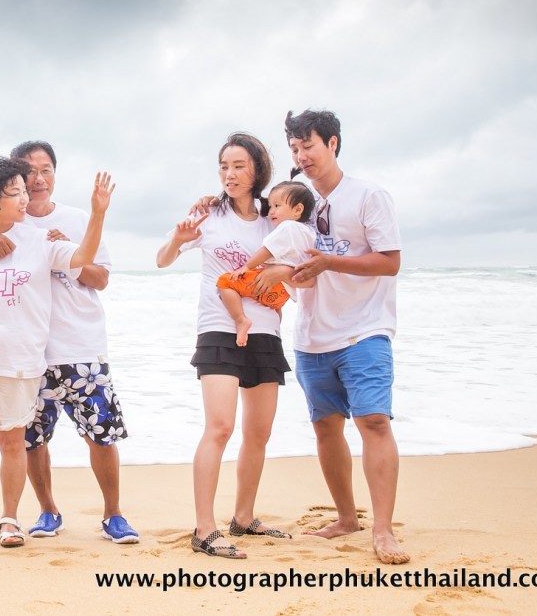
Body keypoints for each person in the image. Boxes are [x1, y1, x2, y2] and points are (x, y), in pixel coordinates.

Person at [0, 141, 138, 544]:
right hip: (24, 356)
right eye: (27, 174)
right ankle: (46, 511)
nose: (36, 180)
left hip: (79, 346)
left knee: (100, 433)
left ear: (55, 175)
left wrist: (71, 246)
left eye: (45, 171)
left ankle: (113, 514)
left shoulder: (69, 222)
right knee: (31, 440)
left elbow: (99, 275)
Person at [155, 133, 293, 559]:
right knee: (220, 427)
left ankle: (244, 518)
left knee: (259, 432)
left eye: (238, 166)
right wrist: (179, 238)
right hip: (218, 329)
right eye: (224, 167)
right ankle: (205, 528)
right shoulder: (209, 213)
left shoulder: (275, 218)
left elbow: (298, 263)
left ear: (257, 171)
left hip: (265, 331)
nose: (229, 175)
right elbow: (162, 259)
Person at [283, 109, 409, 565]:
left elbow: (390, 261)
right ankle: (345, 518)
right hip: (312, 334)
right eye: (294, 149)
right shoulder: (295, 201)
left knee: (373, 421)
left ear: (332, 143)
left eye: (308, 146)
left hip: (365, 329)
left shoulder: (368, 196)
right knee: (325, 427)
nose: (301, 156)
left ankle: (383, 529)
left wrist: (329, 262)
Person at [217, 181, 316, 346]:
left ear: (298, 209)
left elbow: (267, 250)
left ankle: (241, 320)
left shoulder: (287, 227)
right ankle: (276, 328)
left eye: (277, 206)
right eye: (270, 206)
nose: (271, 212)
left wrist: (247, 266)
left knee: (225, 282)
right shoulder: (309, 233)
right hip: (283, 295)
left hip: (270, 283)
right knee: (274, 311)